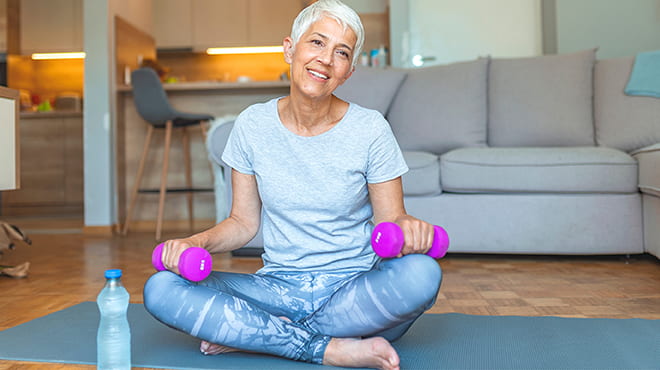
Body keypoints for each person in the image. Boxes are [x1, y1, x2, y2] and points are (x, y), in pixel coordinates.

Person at [143, 1, 442, 369]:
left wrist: (408, 228)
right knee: (161, 289)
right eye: (316, 43)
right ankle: (328, 348)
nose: (325, 59)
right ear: (290, 48)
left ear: (348, 71)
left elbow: (391, 220)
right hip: (277, 289)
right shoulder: (252, 125)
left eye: (341, 52)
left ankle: (256, 335)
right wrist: (194, 242)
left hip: (354, 290)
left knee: (422, 275)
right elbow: (242, 223)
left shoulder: (370, 129)